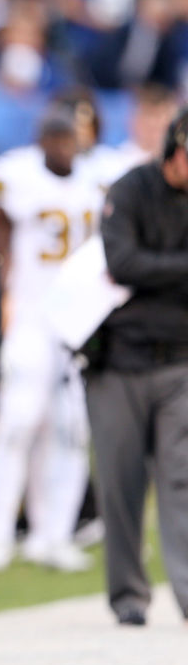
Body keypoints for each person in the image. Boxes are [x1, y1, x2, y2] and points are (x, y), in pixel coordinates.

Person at [0, 108, 102, 573]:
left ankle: (54, 536)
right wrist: (2, 294)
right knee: (15, 424)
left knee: (71, 431)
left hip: (77, 321)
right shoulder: (15, 173)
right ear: (42, 139)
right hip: (29, 315)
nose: (63, 146)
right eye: (56, 137)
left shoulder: (96, 178)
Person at [87, 107, 188, 627]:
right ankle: (128, 593)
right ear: (176, 147)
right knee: (120, 482)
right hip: (118, 361)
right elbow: (121, 261)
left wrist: (162, 272)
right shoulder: (130, 189)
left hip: (180, 360)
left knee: (182, 481)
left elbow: (141, 267)